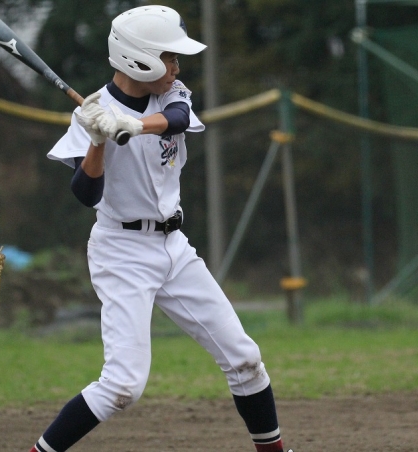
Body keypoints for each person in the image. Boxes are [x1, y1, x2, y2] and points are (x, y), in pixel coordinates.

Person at [35, 5, 287, 452]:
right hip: (122, 252)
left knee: (245, 359)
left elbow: (177, 118)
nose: (176, 67)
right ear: (139, 59)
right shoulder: (90, 115)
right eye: (169, 57)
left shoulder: (172, 94)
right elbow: (87, 194)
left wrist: (131, 125)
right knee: (122, 386)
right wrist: (97, 141)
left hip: (174, 246)